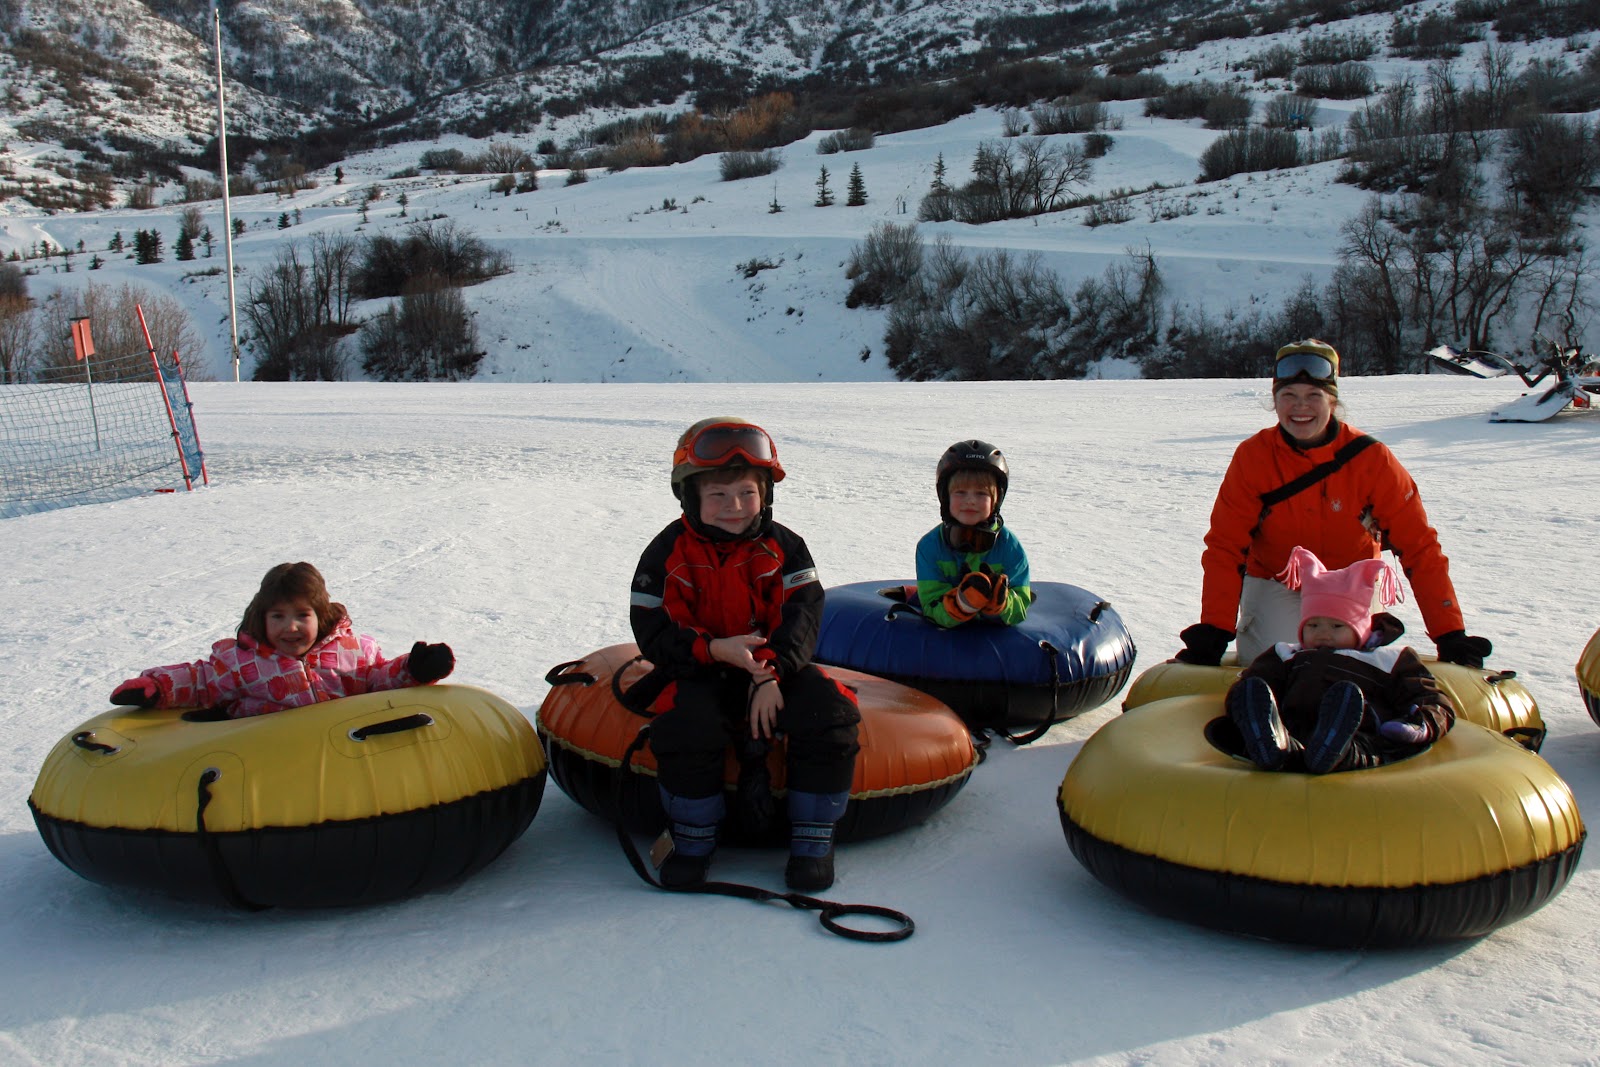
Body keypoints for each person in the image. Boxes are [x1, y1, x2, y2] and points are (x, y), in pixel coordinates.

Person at [629, 417, 860, 893]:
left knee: (831, 709)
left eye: (747, 493)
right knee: (686, 723)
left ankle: (814, 839)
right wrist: (714, 649)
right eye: (718, 495)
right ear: (691, 498)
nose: (734, 507)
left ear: (765, 495)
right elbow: (653, 627)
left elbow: (802, 618)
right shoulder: (667, 551)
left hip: (771, 667)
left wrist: (768, 673)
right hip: (701, 667)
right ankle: (693, 841)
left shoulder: (785, 548)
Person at [1176, 339, 1493, 669]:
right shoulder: (1253, 457)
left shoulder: (1372, 459)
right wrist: (1215, 628)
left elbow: (1418, 546)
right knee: (1272, 667)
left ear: (1332, 400)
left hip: (1348, 584)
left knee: (1347, 665)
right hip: (1275, 580)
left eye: (1314, 396)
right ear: (1275, 401)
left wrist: (1449, 633)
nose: (1301, 408)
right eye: (1289, 396)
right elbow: (1226, 546)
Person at [109, 562, 455, 718]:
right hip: (267, 763)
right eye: (278, 617)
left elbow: (377, 680)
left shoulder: (353, 651)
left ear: (320, 617)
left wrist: (413, 669)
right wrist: (157, 687)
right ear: (263, 618)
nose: (290, 628)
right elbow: (201, 681)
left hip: (340, 757)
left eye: (302, 616)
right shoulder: (243, 661)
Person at [1226, 546, 1456, 774]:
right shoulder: (1287, 655)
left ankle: (1336, 750)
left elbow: (1431, 699)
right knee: (1260, 702)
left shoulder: (1389, 661)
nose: (1323, 634)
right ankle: (1273, 746)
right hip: (1293, 732)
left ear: (1360, 629)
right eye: (1313, 625)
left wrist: (1421, 724)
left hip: (1360, 738)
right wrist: (1247, 703)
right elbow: (1247, 693)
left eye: (1337, 626)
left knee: (1362, 735)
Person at [915, 440, 1034, 628]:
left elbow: (1021, 605)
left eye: (981, 494)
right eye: (960, 492)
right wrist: (962, 604)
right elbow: (931, 605)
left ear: (996, 500)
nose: (970, 501)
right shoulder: (930, 547)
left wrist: (1001, 604)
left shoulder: (1010, 546)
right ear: (945, 497)